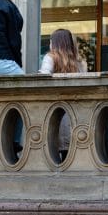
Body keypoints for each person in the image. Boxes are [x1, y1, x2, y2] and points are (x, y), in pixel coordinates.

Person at [39, 29, 88, 161]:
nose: (50, 44)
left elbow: (42, 80)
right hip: (76, 112)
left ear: (56, 43)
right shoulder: (81, 63)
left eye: (51, 41)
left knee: (53, 154)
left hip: (55, 110)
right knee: (71, 153)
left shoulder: (50, 58)